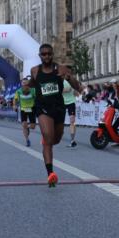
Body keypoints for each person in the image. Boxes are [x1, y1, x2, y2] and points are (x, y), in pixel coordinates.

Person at [31, 43, 85, 187]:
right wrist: (25, 87)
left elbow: (77, 86)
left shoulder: (60, 69)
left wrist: (68, 77)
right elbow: (31, 85)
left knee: (56, 139)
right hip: (43, 108)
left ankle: (47, 141)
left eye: (49, 53)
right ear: (40, 56)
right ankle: (51, 174)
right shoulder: (35, 71)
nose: (47, 56)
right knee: (48, 139)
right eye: (44, 54)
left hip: (59, 108)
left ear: (52, 54)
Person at [13, 78, 37, 147]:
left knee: (33, 127)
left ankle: (28, 127)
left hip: (32, 108)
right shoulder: (18, 91)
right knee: (24, 125)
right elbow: (15, 99)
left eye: (26, 83)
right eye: (23, 83)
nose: (25, 84)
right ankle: (27, 140)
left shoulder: (33, 90)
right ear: (21, 84)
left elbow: (37, 98)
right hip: (23, 109)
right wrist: (14, 105)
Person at [62, 74, 78, 148]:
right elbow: (58, 91)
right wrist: (66, 90)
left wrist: (75, 91)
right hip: (62, 103)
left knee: (72, 121)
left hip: (71, 102)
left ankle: (72, 140)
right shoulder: (60, 81)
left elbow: (76, 93)